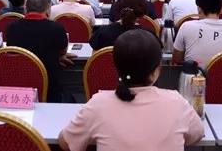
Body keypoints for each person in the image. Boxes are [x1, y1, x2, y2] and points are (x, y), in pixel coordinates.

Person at [58, 30, 204, 151]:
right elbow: (196, 135)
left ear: (117, 68)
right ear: (156, 71)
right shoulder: (177, 102)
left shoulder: (98, 104)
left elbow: (66, 143)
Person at [6, 0, 71, 103]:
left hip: (19, 84)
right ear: (48, 9)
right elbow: (62, 51)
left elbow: (12, 51)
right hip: (49, 87)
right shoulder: (57, 28)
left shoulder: (12, 27)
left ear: (26, 8)